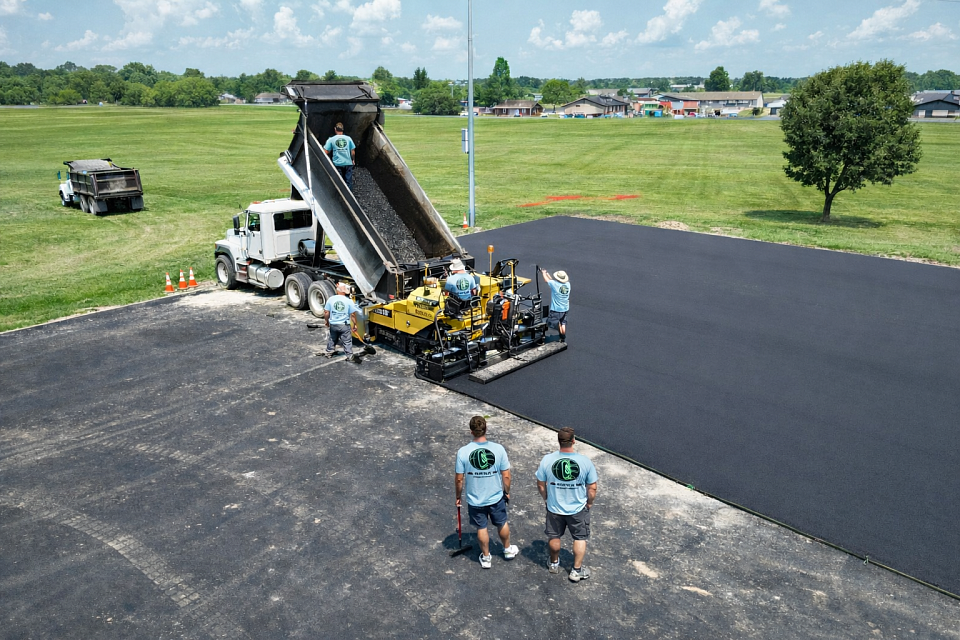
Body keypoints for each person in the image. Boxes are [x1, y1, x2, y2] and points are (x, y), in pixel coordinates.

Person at [536, 427, 598, 582]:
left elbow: (541, 485)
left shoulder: (547, 460)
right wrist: (589, 503)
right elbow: (592, 488)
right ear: (573, 441)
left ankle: (554, 564)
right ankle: (576, 571)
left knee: (554, 535)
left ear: (559, 441)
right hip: (577, 509)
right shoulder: (585, 462)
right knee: (579, 538)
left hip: (554, 508)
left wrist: (546, 498)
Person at [455, 416, 518, 569]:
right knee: (502, 523)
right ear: (486, 429)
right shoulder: (498, 449)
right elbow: (506, 475)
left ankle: (486, 557)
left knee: (481, 527)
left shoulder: (463, 452)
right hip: (496, 497)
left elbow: (459, 479)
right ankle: (508, 549)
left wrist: (458, 497)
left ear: (471, 432)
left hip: (475, 499)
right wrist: (507, 492)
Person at [320, 282, 362, 363]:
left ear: (337, 291)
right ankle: (349, 355)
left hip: (334, 324)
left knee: (332, 338)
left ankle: (329, 352)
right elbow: (353, 314)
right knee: (347, 341)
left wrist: (326, 321)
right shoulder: (348, 301)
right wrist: (355, 325)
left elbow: (326, 312)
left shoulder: (331, 299)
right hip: (344, 325)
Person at [324, 122, 357, 190]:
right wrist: (353, 159)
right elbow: (353, 151)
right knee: (348, 182)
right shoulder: (348, 138)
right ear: (343, 130)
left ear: (335, 129)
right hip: (348, 163)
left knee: (339, 182)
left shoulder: (331, 139)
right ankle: (349, 196)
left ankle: (340, 196)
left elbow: (326, 151)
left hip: (337, 163)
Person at [541, 269, 570, 343]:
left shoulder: (554, 284)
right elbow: (552, 281)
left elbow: (546, 280)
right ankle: (562, 336)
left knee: (550, 322)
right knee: (563, 322)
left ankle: (559, 331)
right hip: (565, 308)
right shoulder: (568, 284)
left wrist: (544, 273)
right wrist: (547, 274)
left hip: (556, 309)